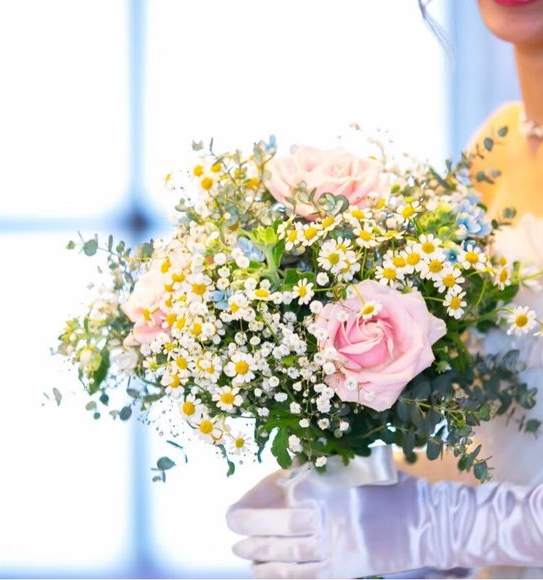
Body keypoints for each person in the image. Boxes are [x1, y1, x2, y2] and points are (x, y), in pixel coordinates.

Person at [226, 0, 543, 577]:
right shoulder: (496, 145)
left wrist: (440, 526)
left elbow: (454, 519)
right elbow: (499, 446)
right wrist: (346, 507)